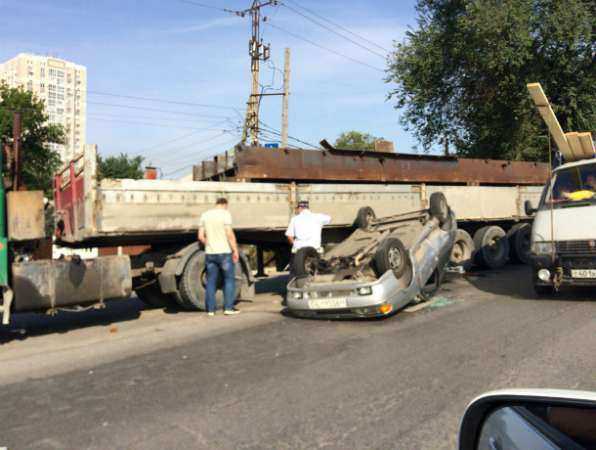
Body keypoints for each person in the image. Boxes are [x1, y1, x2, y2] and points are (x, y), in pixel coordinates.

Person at [198, 198, 240, 316]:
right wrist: (235, 249)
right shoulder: (225, 214)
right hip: (224, 253)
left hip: (210, 253)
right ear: (224, 204)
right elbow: (229, 233)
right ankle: (228, 308)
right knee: (229, 280)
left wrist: (209, 243)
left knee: (211, 281)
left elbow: (200, 236)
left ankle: (211, 310)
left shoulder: (205, 215)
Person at [285, 200, 331, 280]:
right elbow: (329, 218)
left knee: (295, 274)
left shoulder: (295, 219)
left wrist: (294, 245)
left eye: (297, 209)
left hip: (299, 251)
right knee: (318, 272)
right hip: (315, 251)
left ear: (300, 208)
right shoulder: (318, 217)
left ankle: (296, 289)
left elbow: (289, 236)